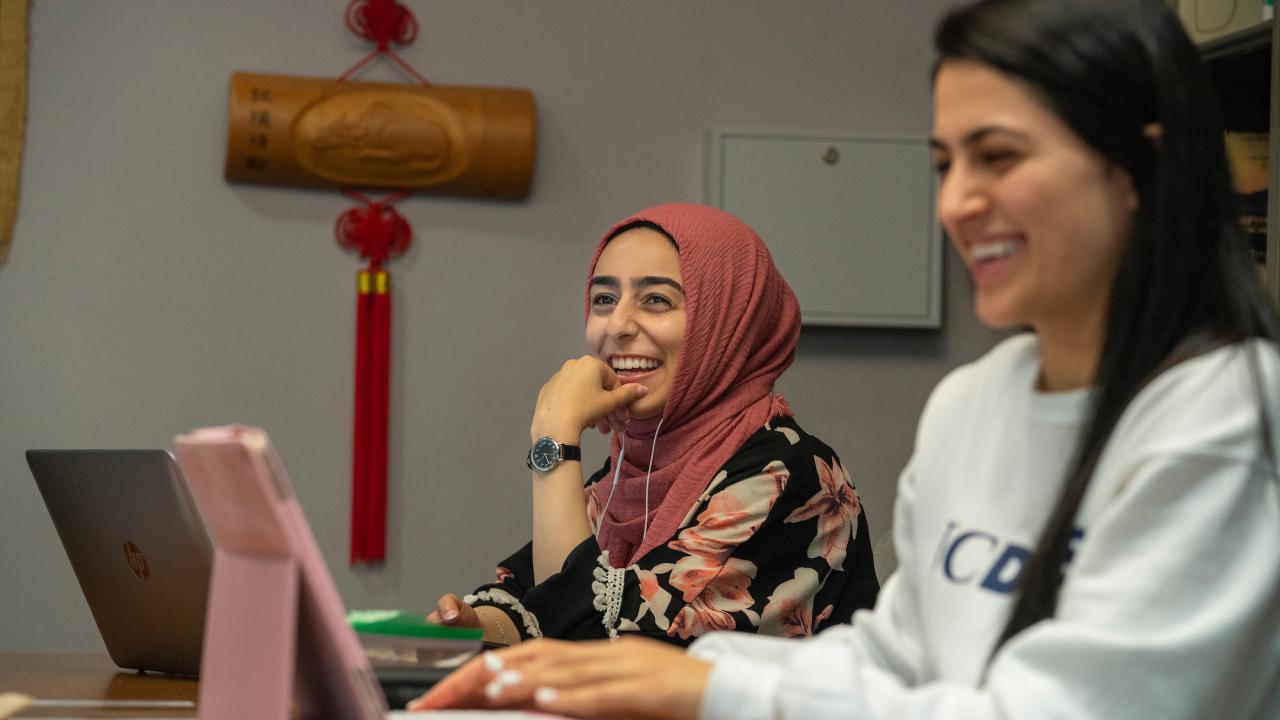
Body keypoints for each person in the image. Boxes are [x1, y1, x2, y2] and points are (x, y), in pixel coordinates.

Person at [409, 0, 1280, 717]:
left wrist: (706, 688)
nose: (960, 202)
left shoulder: (1230, 415)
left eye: (1000, 156)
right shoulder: (975, 402)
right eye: (945, 164)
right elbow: (899, 660)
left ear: (1142, 164)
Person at [428, 202, 879, 648]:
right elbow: (535, 597)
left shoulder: (790, 472)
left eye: (657, 300)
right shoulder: (627, 470)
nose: (618, 325)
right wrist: (476, 627)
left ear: (725, 322)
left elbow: (595, 645)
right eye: (604, 299)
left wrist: (554, 437)